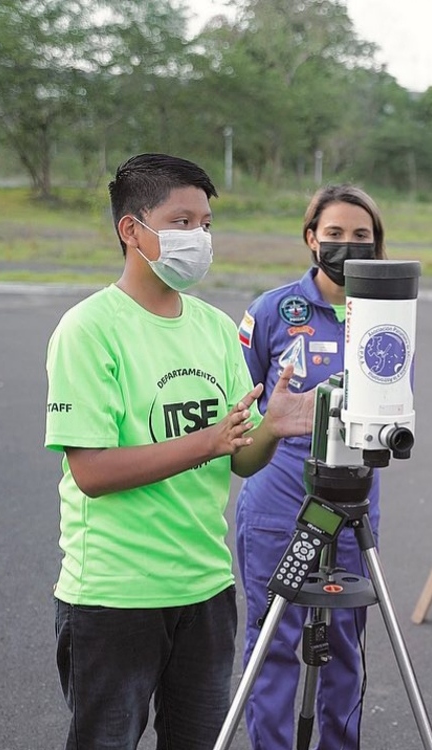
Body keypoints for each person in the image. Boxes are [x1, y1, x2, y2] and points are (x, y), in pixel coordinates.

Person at [44, 153, 315, 750]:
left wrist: (269, 428)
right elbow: (90, 472)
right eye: (182, 222)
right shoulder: (88, 330)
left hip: (205, 588)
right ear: (131, 229)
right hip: (115, 595)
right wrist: (207, 441)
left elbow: (237, 458)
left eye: (206, 225)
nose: (198, 238)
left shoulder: (215, 328)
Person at [234, 184, 387, 750]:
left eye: (361, 237)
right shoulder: (274, 310)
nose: (348, 246)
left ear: (377, 245)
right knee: (273, 642)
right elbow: (239, 407)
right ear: (310, 239)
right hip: (278, 508)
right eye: (335, 235)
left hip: (353, 507)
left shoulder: (387, 317)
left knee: (346, 642)